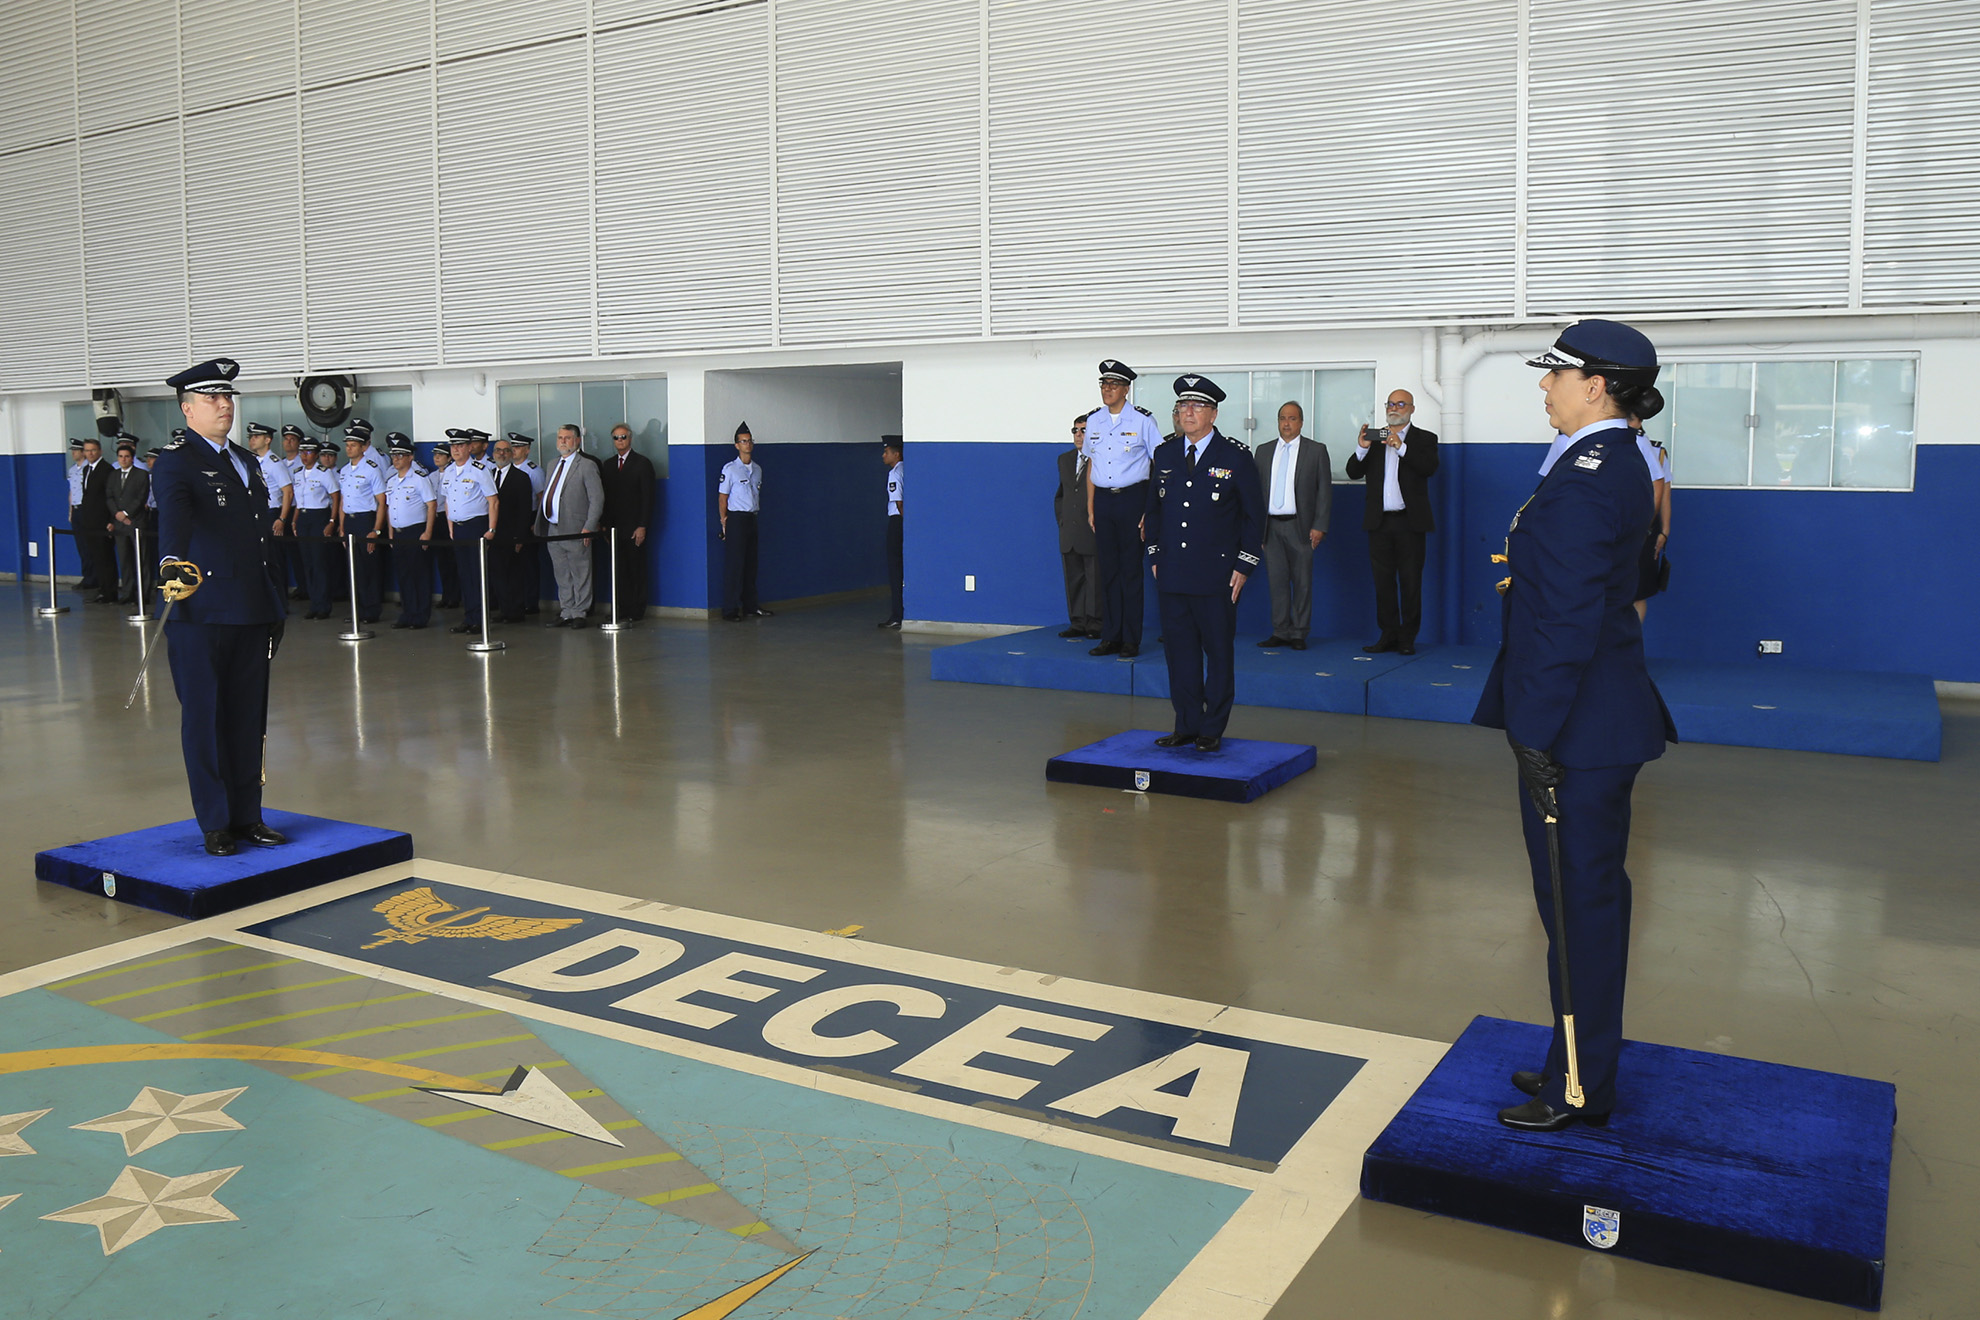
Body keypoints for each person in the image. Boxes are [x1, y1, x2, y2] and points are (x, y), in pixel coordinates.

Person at [1471, 319, 1678, 1133]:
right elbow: (1629, 580)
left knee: (1580, 909)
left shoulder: (1592, 473)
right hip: (1594, 716)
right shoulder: (1615, 461)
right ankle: (1574, 1059)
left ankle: (1582, 1088)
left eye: (1555, 376)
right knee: (1576, 906)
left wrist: (1535, 729)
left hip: (1576, 729)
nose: (1544, 387)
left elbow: (1564, 620)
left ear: (1595, 386)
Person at [151, 357, 288, 857]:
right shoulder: (175, 461)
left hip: (251, 605)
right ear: (188, 410)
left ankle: (248, 816)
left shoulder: (245, 461)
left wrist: (275, 597)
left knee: (248, 717)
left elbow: (259, 537)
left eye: (227, 397)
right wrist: (170, 561)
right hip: (200, 609)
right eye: (212, 399)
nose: (224, 405)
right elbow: (175, 519)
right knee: (205, 717)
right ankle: (215, 823)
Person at [1143, 375, 1264, 753]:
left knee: (1218, 651)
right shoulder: (1165, 454)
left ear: (1213, 413)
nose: (1187, 413)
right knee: (1179, 653)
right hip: (1174, 572)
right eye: (1182, 406)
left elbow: (1253, 517)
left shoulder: (1235, 456)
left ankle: (1212, 728)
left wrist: (1244, 566)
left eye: (1196, 406)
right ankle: (1186, 724)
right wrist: (1156, 555)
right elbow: (1154, 509)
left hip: (1217, 575)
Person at [1344, 389, 1439, 655]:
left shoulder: (1425, 439)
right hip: (1379, 522)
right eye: (1390, 404)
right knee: (1383, 583)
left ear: (1411, 408)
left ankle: (1407, 637)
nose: (1394, 408)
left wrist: (1401, 446)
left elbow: (1428, 467)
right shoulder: (1375, 438)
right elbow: (1353, 472)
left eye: (1400, 404)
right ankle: (1388, 634)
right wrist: (1362, 447)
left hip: (1410, 523)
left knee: (1410, 582)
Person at [1083, 361, 1163, 658]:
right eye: (1104, 385)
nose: (1107, 390)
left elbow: (1160, 463)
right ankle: (1110, 635)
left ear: (1126, 389)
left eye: (1113, 385)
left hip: (1133, 499)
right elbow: (1092, 464)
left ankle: (1131, 638)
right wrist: (1091, 507)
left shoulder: (1142, 420)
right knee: (1109, 571)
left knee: (1130, 572)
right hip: (1103, 501)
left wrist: (1149, 508)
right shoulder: (1094, 421)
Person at [1253, 401, 1333, 652]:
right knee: (1276, 582)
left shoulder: (1316, 450)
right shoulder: (1263, 451)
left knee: (1302, 582)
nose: (1286, 423)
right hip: (1271, 527)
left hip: (1301, 526)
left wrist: (1319, 525)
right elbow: (1256, 492)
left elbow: (1324, 492)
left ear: (1301, 422)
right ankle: (1280, 631)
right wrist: (1257, 528)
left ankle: (1299, 633)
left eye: (1292, 418)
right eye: (1282, 418)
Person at [538, 424, 602, 629]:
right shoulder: (552, 464)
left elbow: (597, 499)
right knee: (562, 572)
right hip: (553, 528)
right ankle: (566, 610)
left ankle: (580, 612)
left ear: (577, 441)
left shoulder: (586, 465)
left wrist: (589, 526)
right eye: (560, 437)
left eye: (567, 437)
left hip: (576, 528)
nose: (562, 441)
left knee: (580, 571)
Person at [439, 430, 501, 634]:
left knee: (477, 574)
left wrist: (491, 529)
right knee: (464, 575)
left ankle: (481, 619)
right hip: (458, 528)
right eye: (453, 446)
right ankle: (469, 617)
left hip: (476, 526)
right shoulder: (448, 472)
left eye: (460, 446)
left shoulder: (479, 470)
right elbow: (447, 501)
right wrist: (450, 528)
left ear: (468, 447)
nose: (455, 450)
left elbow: (493, 501)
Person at [599, 423, 657, 623]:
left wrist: (642, 525)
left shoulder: (642, 463)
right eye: (616, 438)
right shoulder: (607, 465)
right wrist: (604, 525)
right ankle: (620, 609)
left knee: (636, 569)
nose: (620, 441)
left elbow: (647, 497)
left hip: (634, 527)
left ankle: (636, 609)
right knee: (618, 571)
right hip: (615, 528)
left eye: (623, 437)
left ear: (630, 438)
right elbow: (605, 498)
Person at [383, 434, 437, 630]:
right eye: (394, 455)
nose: (396, 459)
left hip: (416, 531)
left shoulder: (419, 479)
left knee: (419, 575)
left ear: (410, 457)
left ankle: (420, 615)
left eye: (400, 455)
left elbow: (432, 505)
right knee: (403, 574)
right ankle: (407, 613)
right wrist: (390, 533)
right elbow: (390, 509)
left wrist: (427, 532)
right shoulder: (391, 481)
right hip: (397, 533)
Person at [334, 428, 387, 623]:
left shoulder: (371, 469)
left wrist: (376, 529)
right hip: (350, 520)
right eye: (347, 445)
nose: (348, 449)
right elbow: (342, 501)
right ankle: (358, 610)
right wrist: (341, 526)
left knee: (368, 568)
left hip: (366, 520)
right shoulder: (345, 470)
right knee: (353, 568)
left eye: (353, 445)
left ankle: (371, 610)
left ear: (363, 447)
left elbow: (382, 501)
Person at [1055, 414, 1099, 639]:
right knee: (1073, 578)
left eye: (1083, 430)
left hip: (1091, 529)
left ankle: (1094, 623)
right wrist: (1062, 520)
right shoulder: (1065, 459)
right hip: (1069, 532)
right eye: (1075, 431)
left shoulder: (1101, 458)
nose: (1079, 435)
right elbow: (1061, 494)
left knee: (1094, 580)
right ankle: (1077, 622)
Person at [717, 422, 767, 622]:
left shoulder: (757, 469)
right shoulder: (730, 469)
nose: (748, 444)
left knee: (751, 564)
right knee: (735, 565)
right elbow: (722, 497)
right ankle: (729, 609)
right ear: (737, 445)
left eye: (750, 441)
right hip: (736, 518)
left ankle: (750, 606)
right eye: (743, 441)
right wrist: (724, 521)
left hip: (752, 518)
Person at [490, 436, 537, 624]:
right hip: (494, 534)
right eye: (498, 451)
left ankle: (516, 611)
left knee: (513, 574)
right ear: (493, 454)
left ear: (511, 454)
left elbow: (525, 509)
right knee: (497, 574)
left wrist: (520, 536)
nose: (502, 454)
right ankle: (504, 609)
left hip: (512, 534)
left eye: (506, 450)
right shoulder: (489, 474)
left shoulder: (521, 477)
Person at [290, 438, 337, 619]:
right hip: (303, 518)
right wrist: (294, 521)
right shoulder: (297, 473)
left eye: (308, 452)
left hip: (319, 517)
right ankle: (314, 603)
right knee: (307, 563)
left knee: (319, 563)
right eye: (302, 452)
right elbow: (298, 501)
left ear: (316, 455)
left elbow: (335, 496)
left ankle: (324, 605)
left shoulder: (324, 473)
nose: (304, 456)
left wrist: (332, 521)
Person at [106, 436, 152, 604]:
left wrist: (126, 513)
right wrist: (117, 515)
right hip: (119, 525)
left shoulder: (142, 474)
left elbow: (141, 498)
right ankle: (127, 593)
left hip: (136, 522)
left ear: (132, 458)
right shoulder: (113, 475)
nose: (123, 459)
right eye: (120, 457)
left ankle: (143, 594)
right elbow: (109, 497)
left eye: (126, 456)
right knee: (124, 560)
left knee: (142, 560)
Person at [74, 437, 120, 603]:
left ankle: (110, 592)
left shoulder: (106, 469)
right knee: (95, 557)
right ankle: (102, 589)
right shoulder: (87, 470)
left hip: (102, 522)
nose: (90, 453)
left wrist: (110, 520)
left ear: (99, 451)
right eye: (87, 450)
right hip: (89, 522)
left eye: (93, 450)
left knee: (106, 558)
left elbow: (110, 497)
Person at [1633, 425, 1671, 621]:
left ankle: (1631, 647)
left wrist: (1664, 531)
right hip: (1616, 526)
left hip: (1646, 530)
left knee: (1639, 592)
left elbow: (1664, 495)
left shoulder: (1656, 452)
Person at [246, 422, 295, 553]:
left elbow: (288, 491)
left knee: (274, 553)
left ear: (267, 440)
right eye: (250, 436)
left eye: (256, 436)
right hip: (258, 511)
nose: (252, 440)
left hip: (272, 512)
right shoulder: (253, 461)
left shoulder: (275, 463)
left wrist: (282, 519)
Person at [429, 434, 462, 608]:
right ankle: (446, 595)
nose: (436, 458)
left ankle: (455, 596)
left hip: (447, 517)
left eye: (440, 455)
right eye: (435, 455)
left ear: (448, 458)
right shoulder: (431, 477)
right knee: (442, 560)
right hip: (435, 519)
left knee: (452, 560)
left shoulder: (452, 473)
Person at [66, 438, 98, 591]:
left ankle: (94, 578)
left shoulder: (89, 468)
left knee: (89, 545)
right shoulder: (72, 470)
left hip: (87, 510)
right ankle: (87, 576)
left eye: (76, 450)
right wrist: (70, 511)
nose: (73, 453)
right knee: (81, 546)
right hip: (77, 509)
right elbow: (72, 492)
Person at [880, 436, 905, 629]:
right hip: (904, 522)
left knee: (894, 567)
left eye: (886, 452)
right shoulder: (907, 469)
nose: (883, 455)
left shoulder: (895, 473)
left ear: (896, 454)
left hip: (898, 521)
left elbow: (899, 502)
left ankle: (897, 614)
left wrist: (905, 522)